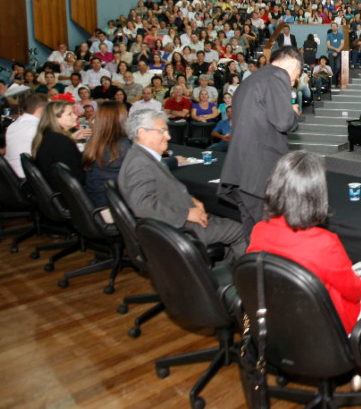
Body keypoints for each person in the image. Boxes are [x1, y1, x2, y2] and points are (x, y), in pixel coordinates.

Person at [248, 151, 361, 334]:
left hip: (282, 320)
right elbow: (355, 293)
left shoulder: (258, 231)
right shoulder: (324, 243)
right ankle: (360, 351)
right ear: (316, 195)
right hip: (328, 328)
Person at [120, 108, 247, 263]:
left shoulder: (142, 157)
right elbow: (141, 205)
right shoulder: (139, 164)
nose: (168, 136)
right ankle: (245, 282)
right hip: (179, 229)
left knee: (226, 240)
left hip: (178, 219)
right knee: (242, 230)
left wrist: (192, 200)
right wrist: (186, 214)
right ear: (142, 133)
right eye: (162, 131)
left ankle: (216, 278)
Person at [218, 46, 301, 234]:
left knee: (253, 236)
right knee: (272, 238)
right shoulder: (278, 75)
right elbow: (283, 121)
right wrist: (293, 113)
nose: (294, 81)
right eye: (296, 75)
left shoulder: (247, 82)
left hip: (241, 173)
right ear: (293, 63)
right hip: (261, 174)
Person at [82, 101, 130, 207]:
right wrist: (171, 159)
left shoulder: (94, 141)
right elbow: (146, 168)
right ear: (120, 119)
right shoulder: (121, 145)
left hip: (96, 202)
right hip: (112, 208)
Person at [32, 100, 90, 186]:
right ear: (55, 118)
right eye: (70, 114)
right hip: (68, 192)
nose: (75, 116)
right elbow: (77, 177)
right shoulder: (60, 141)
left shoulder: (46, 135)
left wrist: (71, 138)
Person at [5, 93, 48, 178]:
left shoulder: (13, 125)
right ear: (41, 109)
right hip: (29, 178)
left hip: (11, 175)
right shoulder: (36, 128)